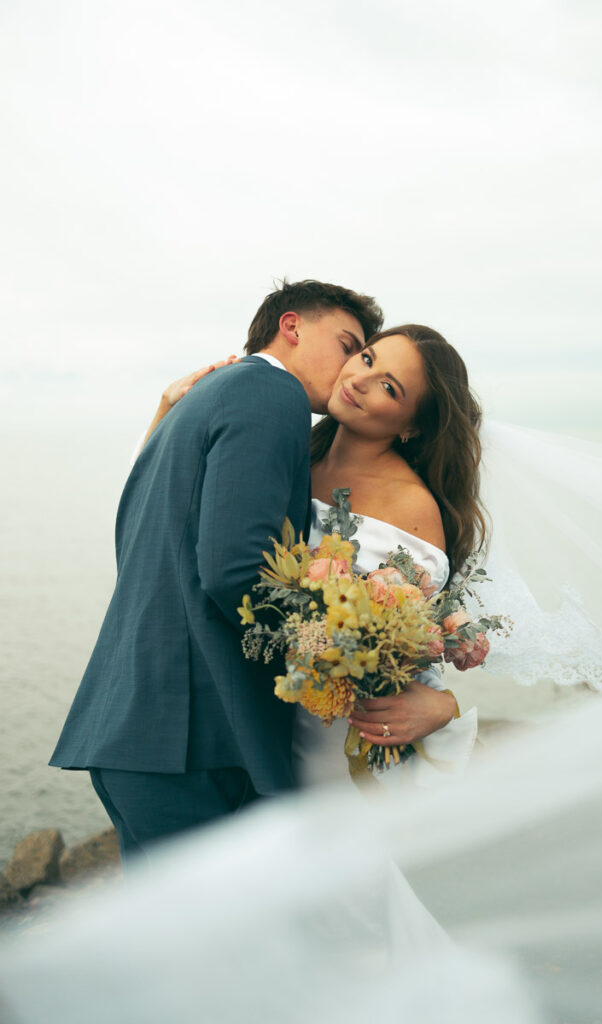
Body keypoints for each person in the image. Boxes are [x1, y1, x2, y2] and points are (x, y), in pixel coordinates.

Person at [49, 279, 384, 863]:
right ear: (292, 326)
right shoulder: (268, 393)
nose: (351, 369)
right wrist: (334, 654)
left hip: (148, 729)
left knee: (180, 946)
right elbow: (236, 570)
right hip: (195, 735)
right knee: (211, 948)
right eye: (347, 344)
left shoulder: (206, 399)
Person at [149, 324, 486, 788]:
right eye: (366, 358)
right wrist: (166, 412)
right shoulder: (292, 457)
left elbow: (404, 640)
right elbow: (168, 516)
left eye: (389, 387)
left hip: (342, 736)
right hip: (258, 717)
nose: (360, 380)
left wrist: (443, 707)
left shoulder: (411, 507)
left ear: (411, 426)